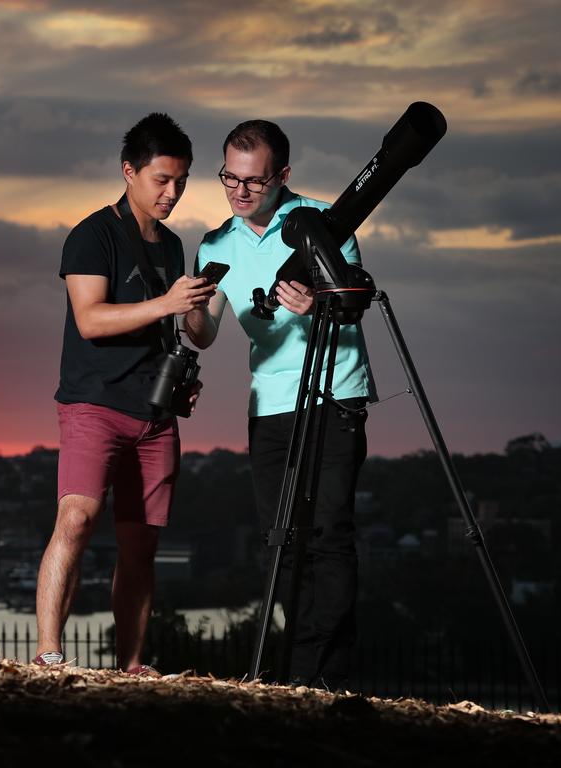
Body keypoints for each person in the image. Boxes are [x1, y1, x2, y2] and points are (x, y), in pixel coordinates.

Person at [185, 120, 376, 690]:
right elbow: (204, 332)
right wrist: (188, 305)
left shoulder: (328, 220)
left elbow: (355, 301)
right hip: (268, 405)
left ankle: (325, 677)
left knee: (328, 537)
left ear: (282, 176)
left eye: (253, 181)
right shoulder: (216, 243)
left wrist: (317, 300)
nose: (239, 192)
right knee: (281, 543)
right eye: (229, 179)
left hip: (334, 392)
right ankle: (298, 672)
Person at [34, 113, 216, 675]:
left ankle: (131, 665)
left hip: (155, 413)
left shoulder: (175, 247)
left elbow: (188, 332)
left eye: (181, 181)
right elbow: (90, 319)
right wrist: (167, 303)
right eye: (161, 179)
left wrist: (192, 322)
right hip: (94, 402)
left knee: (141, 547)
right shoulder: (91, 236)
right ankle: (48, 653)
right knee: (77, 518)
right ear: (128, 171)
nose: (172, 193)